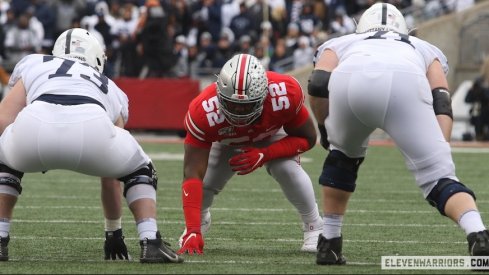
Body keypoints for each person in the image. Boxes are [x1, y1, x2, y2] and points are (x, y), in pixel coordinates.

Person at [307, 2, 489, 265]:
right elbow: (441, 99)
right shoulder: (423, 46)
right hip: (406, 82)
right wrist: (440, 146)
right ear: (405, 28)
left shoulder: (343, 42)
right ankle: (477, 232)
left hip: (349, 81)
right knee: (439, 178)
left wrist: (325, 128)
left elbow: (319, 81)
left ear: (362, 26)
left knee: (342, 159)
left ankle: (329, 242)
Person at [0, 28, 183, 264]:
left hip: (34, 123)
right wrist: (113, 232)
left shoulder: (35, 63)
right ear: (96, 56)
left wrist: (13, 155)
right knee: (140, 168)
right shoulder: (109, 85)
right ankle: (151, 242)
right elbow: (111, 175)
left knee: (4, 162)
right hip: (92, 127)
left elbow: (4, 119)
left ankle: (1, 237)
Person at [177, 53, 323, 255]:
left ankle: (314, 225)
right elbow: (192, 173)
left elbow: (307, 139)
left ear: (264, 95)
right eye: (231, 104)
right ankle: (199, 223)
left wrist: (265, 154)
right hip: (227, 140)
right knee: (206, 182)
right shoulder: (203, 110)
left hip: (270, 134)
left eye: (246, 105)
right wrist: (192, 229)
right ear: (219, 94)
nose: (238, 112)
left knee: (286, 169)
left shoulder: (283, 93)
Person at [465, 57, 489, 141]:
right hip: (480, 115)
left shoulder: (479, 82)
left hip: (482, 114)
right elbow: (468, 99)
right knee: (480, 137)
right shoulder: (478, 82)